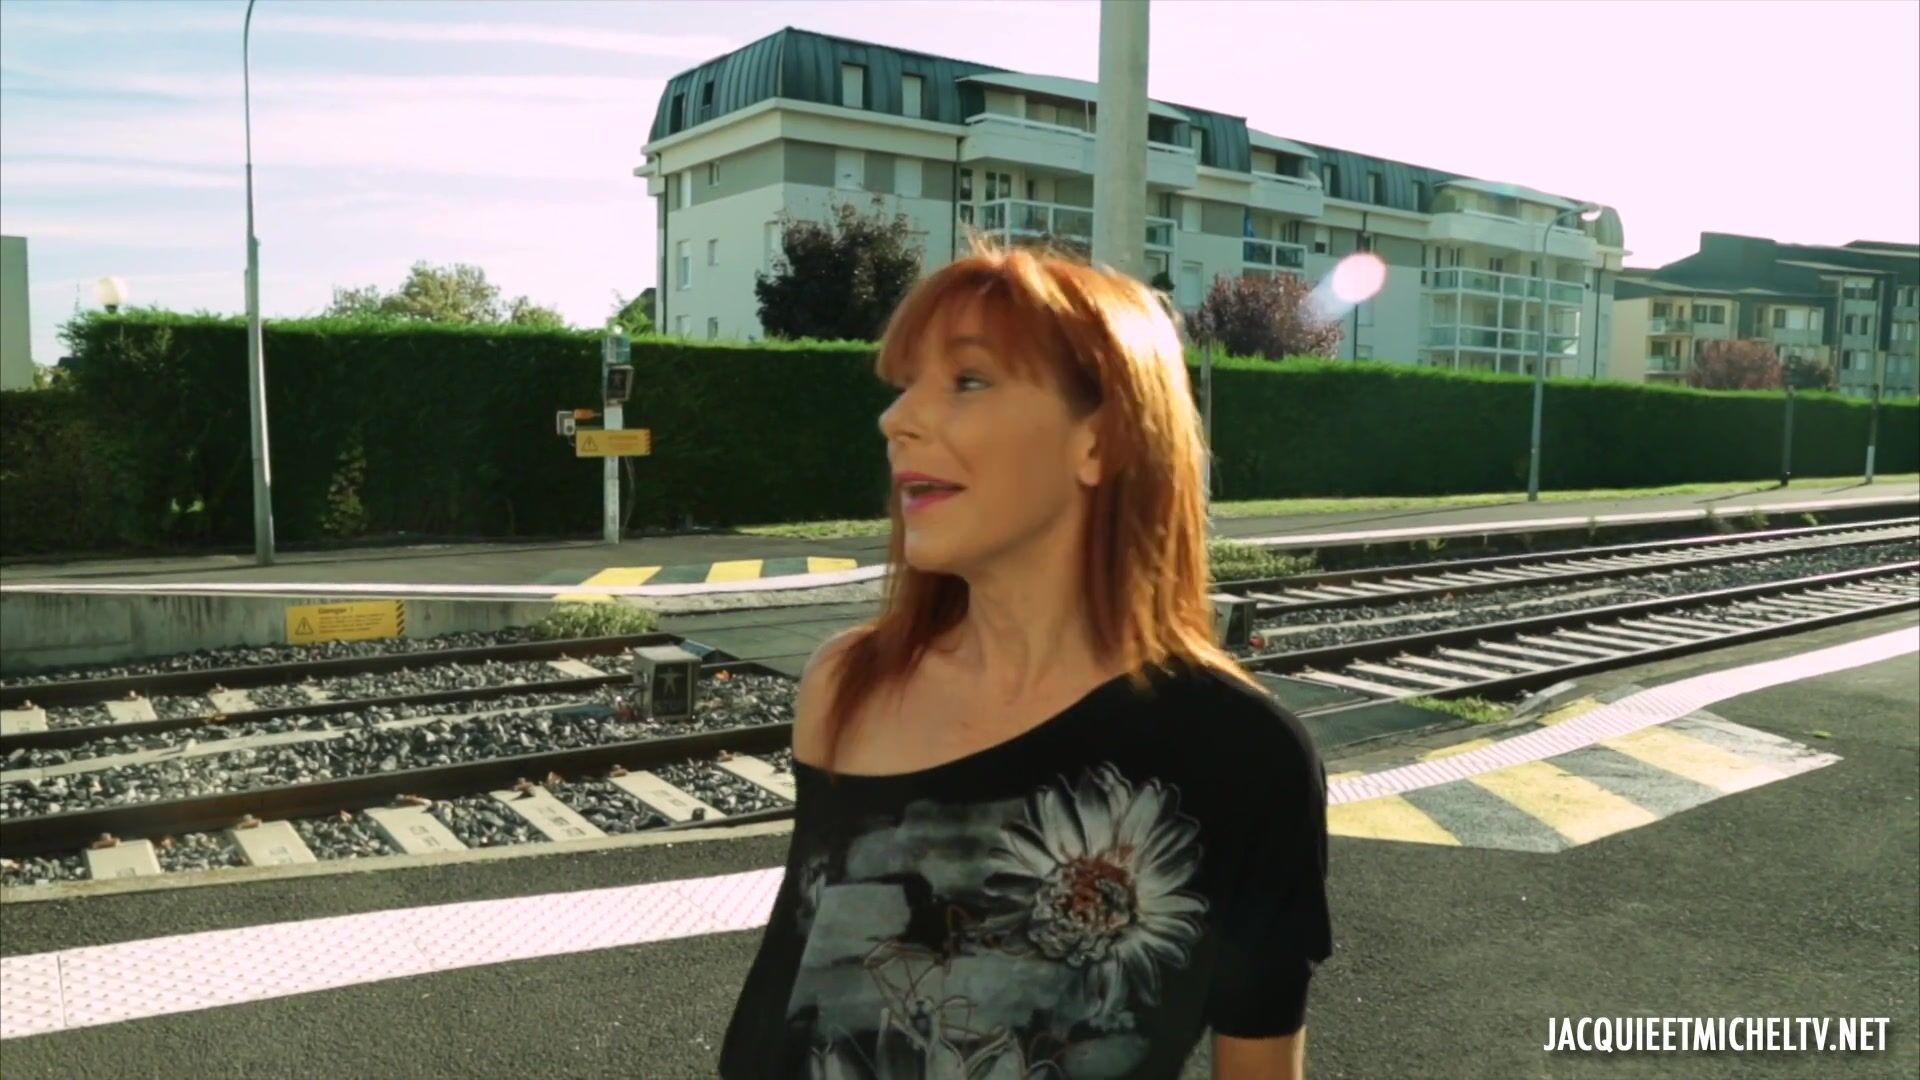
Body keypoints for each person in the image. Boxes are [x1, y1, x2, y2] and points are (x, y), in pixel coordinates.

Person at [719, 241, 1332, 1079]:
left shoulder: (1244, 757)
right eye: (905, 385)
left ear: (1103, 441)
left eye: (968, 380)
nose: (896, 420)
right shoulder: (846, 689)